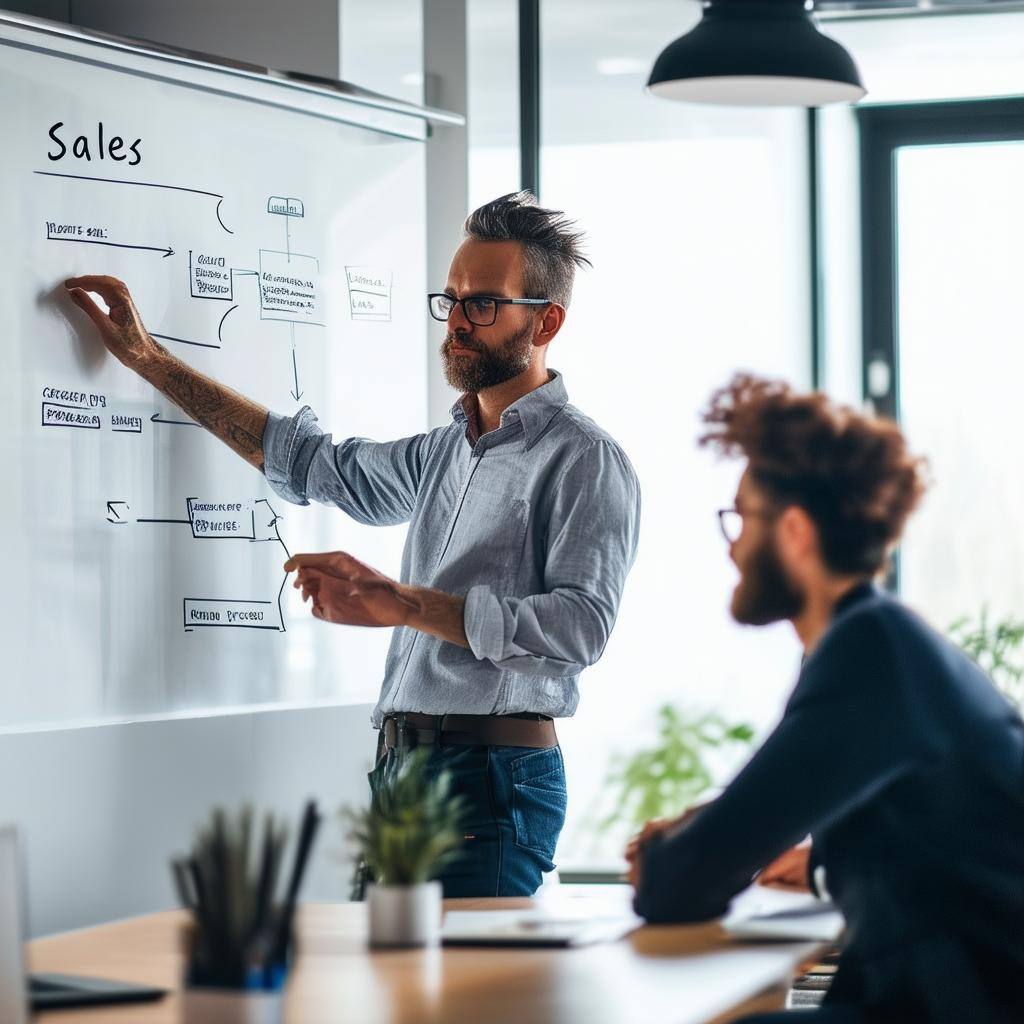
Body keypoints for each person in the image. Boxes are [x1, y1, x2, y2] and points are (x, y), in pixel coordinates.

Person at [64, 191, 641, 898]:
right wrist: (151, 361)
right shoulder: (443, 452)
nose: (457, 322)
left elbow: (579, 629)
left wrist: (405, 604)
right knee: (393, 1001)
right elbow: (310, 463)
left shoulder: (585, 459)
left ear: (546, 319)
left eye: (482, 304)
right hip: (403, 770)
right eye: (451, 299)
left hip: (491, 776)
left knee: (465, 1004)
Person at [626, 374, 1024, 1023]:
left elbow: (679, 886)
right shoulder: (887, 642)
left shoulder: (870, 652)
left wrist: (670, 850)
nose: (731, 545)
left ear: (794, 531)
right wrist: (811, 860)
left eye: (741, 518)